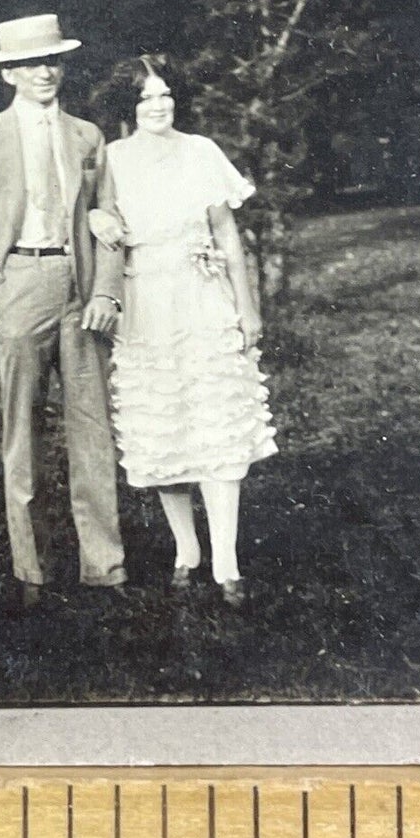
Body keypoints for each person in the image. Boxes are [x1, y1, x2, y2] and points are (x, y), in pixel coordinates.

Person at [0, 14, 128, 611]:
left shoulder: (87, 136)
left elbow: (110, 225)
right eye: (28, 64)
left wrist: (105, 292)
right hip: (18, 281)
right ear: (8, 75)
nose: (42, 73)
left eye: (51, 62)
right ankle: (33, 570)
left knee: (94, 430)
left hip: (81, 288)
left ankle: (104, 567)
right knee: (22, 431)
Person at [95, 55, 276, 607]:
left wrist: (247, 309)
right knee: (164, 425)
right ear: (127, 108)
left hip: (202, 297)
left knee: (216, 420)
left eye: (165, 95)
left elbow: (226, 232)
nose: (158, 105)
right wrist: (90, 219)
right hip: (145, 302)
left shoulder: (200, 151)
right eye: (145, 98)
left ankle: (226, 559)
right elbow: (87, 220)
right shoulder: (109, 161)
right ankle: (186, 551)